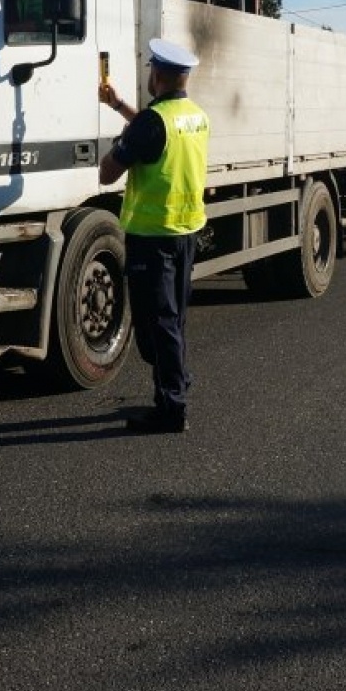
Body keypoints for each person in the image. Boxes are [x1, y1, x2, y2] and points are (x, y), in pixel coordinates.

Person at [98, 38, 210, 434]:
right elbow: (153, 134)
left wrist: (115, 149)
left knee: (155, 325)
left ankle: (171, 407)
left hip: (152, 235)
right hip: (185, 231)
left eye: (150, 70)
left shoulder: (152, 122)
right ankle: (175, 383)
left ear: (158, 74)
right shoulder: (193, 115)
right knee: (172, 319)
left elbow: (108, 172)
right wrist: (118, 106)